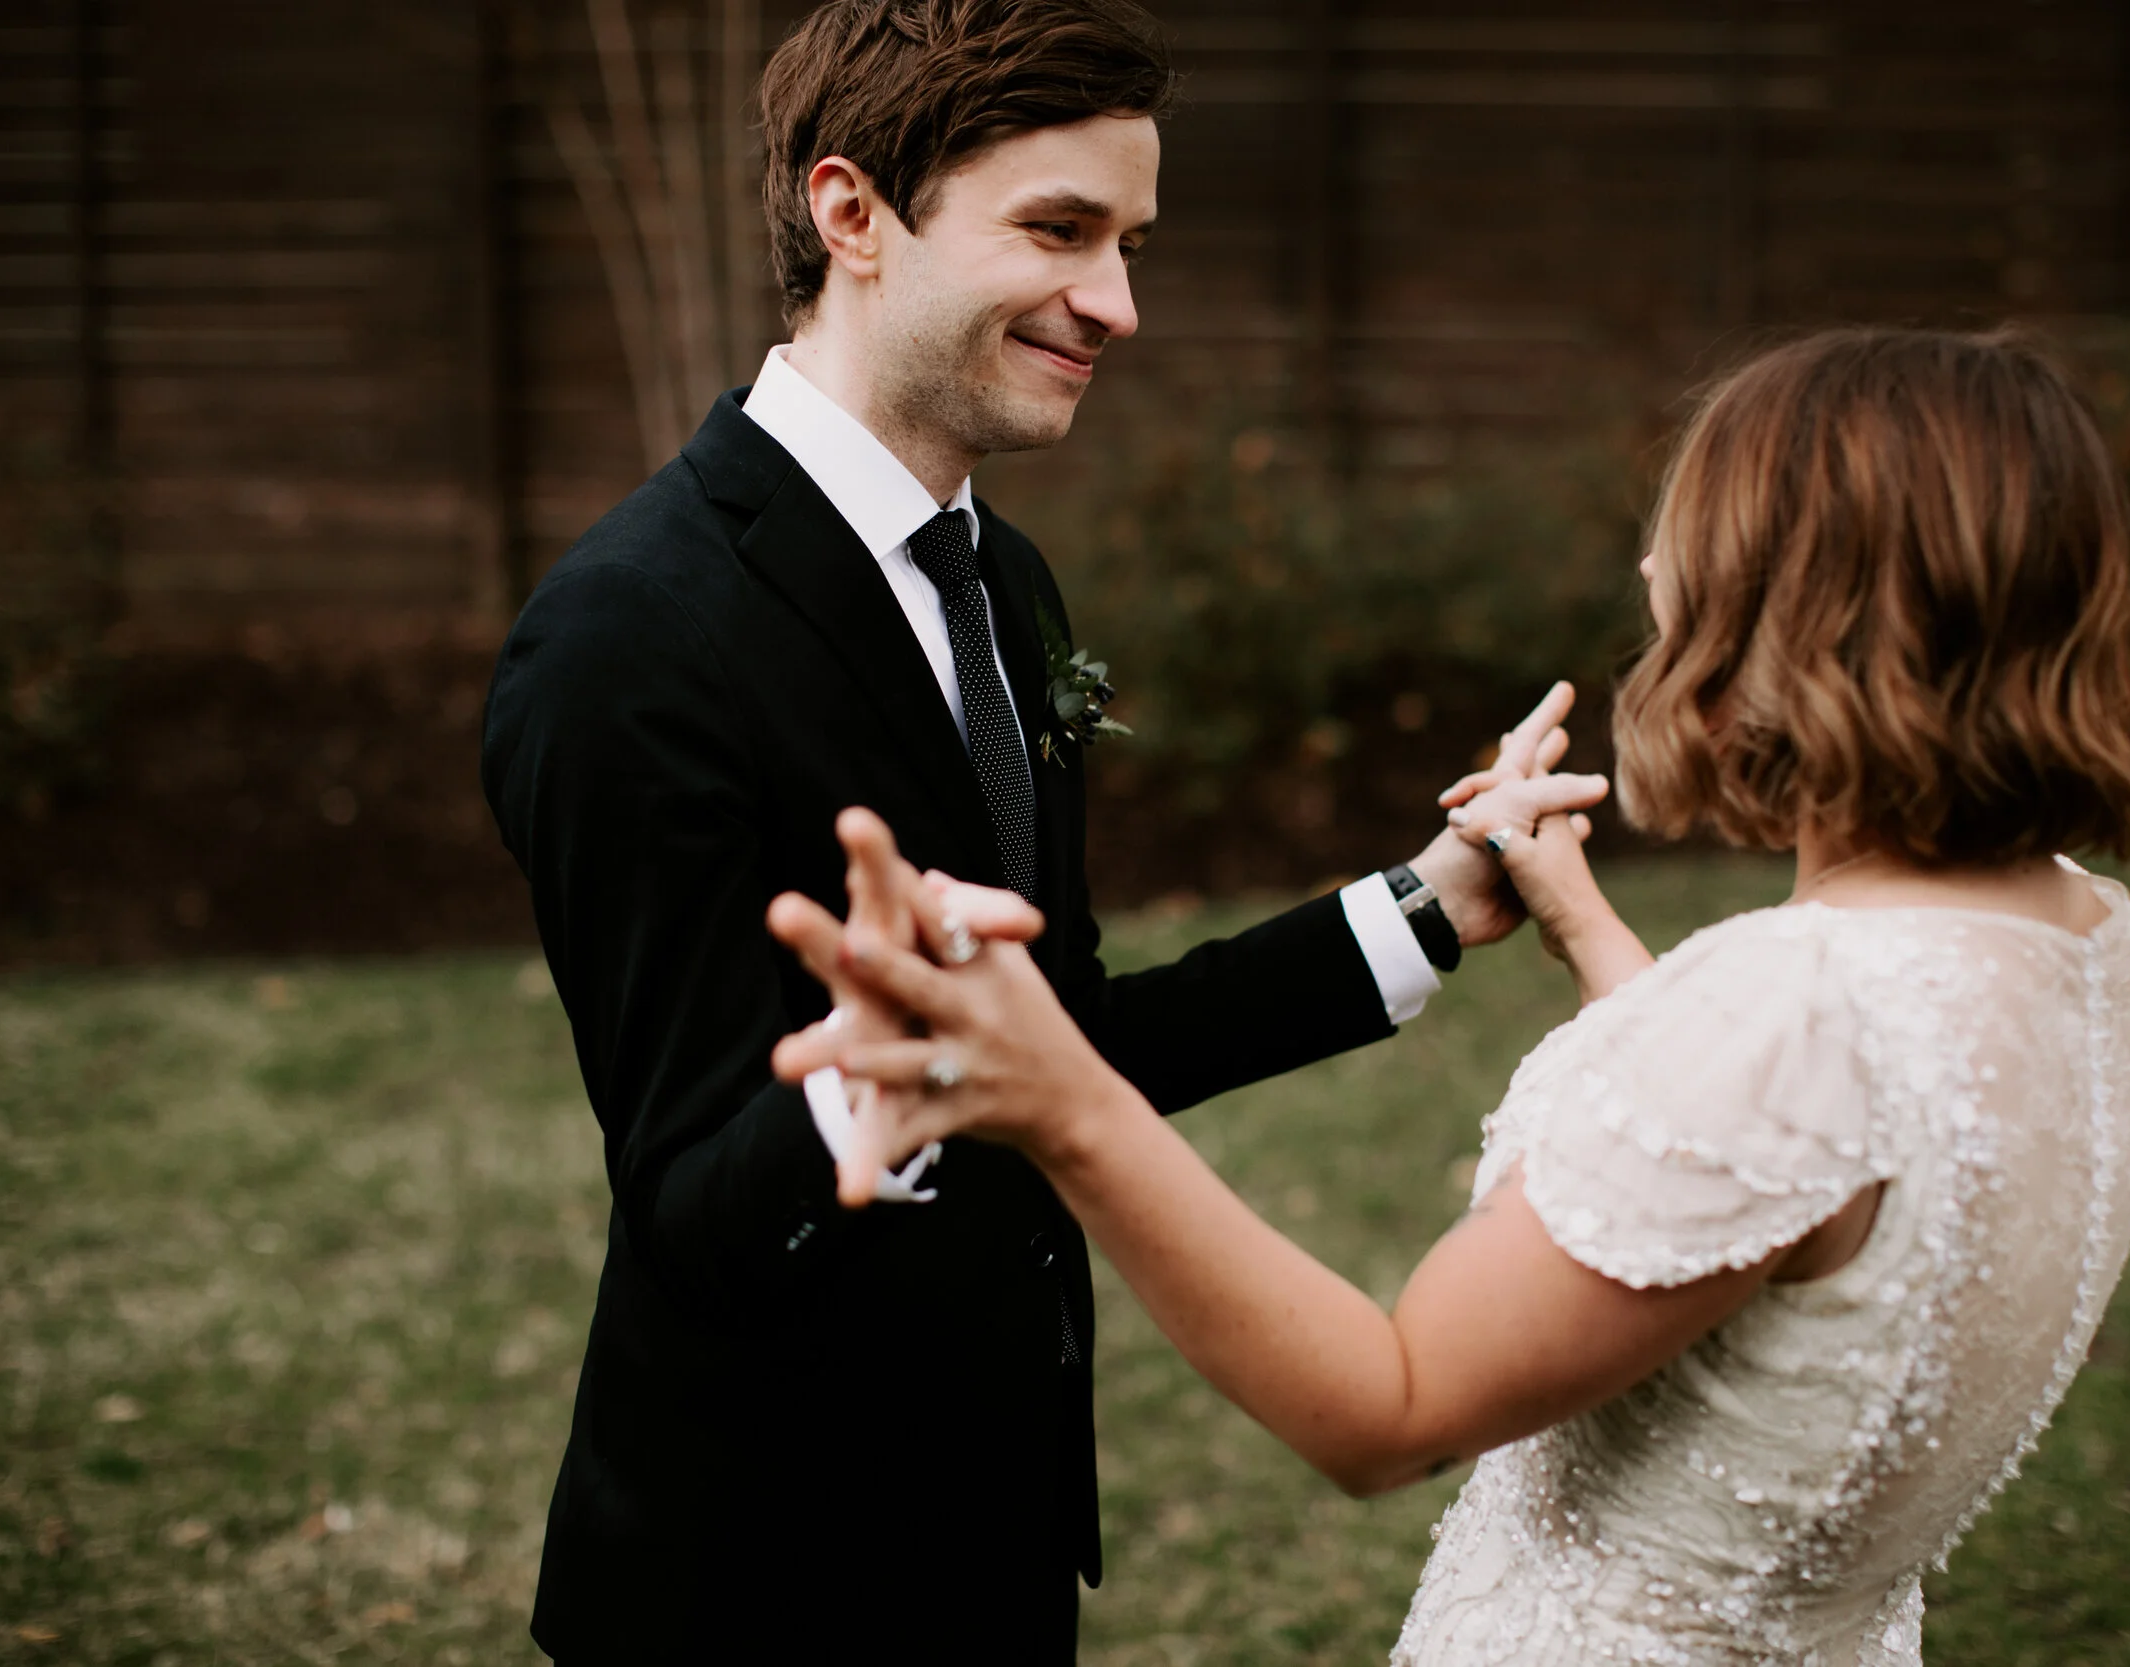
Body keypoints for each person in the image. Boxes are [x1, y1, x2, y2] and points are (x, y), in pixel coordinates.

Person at [769, 325, 2130, 1663]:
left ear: (1801, 619)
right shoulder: (2086, 940)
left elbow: (1387, 1406)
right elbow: (1789, 1185)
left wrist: (1066, 1104)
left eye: (1693, 548)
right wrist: (1579, 926)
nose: (1654, 578)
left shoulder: (1794, 1018)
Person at [478, 0, 1601, 1657]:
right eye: (1060, 232)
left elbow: (1064, 1039)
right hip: (755, 1582)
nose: (1119, 304)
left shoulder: (1001, 581)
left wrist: (1424, 903)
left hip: (997, 1534)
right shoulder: (625, 638)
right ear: (851, 212)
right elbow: (699, 1220)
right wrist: (884, 1071)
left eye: (1132, 242)